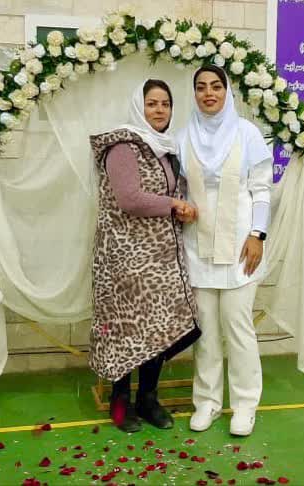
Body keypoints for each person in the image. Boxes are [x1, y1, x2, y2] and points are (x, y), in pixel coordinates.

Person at [88, 79, 200, 433]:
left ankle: (148, 399)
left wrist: (182, 209)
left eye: (165, 104)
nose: (159, 110)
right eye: (152, 103)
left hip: (159, 257)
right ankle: (120, 401)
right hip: (123, 256)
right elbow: (130, 198)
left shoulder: (165, 148)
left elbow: (167, 193)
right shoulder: (123, 146)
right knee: (126, 329)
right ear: (139, 106)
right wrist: (175, 204)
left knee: (158, 327)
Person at [177, 65, 273, 436]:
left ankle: (245, 406)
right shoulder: (184, 136)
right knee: (205, 330)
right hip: (198, 245)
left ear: (227, 91)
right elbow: (178, 190)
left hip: (240, 246)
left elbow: (262, 190)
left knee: (238, 326)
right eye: (201, 87)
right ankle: (207, 403)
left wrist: (258, 234)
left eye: (216, 86)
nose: (209, 93)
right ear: (195, 94)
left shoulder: (247, 133)